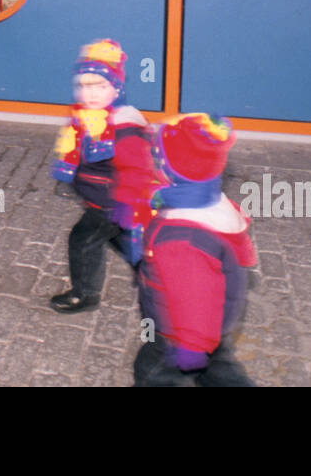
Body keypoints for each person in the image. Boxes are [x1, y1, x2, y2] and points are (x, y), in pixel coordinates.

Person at [133, 113, 257, 386]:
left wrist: (192, 344)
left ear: (171, 171)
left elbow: (195, 295)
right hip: (215, 323)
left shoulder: (181, 240)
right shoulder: (207, 201)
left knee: (151, 372)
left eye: (156, 157)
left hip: (178, 333)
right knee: (219, 370)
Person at [48, 39, 158, 314]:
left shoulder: (123, 127)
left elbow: (138, 171)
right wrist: (70, 178)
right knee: (118, 240)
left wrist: (126, 205)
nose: (91, 94)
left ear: (117, 87)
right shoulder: (88, 117)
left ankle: (84, 295)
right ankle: (157, 271)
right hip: (101, 197)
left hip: (110, 202)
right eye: (85, 86)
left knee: (83, 241)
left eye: (101, 86)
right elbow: (78, 151)